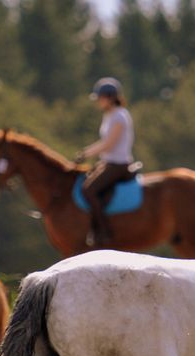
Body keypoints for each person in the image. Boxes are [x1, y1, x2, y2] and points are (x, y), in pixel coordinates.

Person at [75, 77, 134, 247]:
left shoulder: (120, 116)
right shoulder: (110, 115)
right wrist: (86, 151)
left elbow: (109, 144)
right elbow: (104, 143)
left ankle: (103, 231)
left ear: (109, 97)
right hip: (108, 162)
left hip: (118, 164)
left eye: (100, 98)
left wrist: (87, 154)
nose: (98, 102)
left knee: (89, 190)